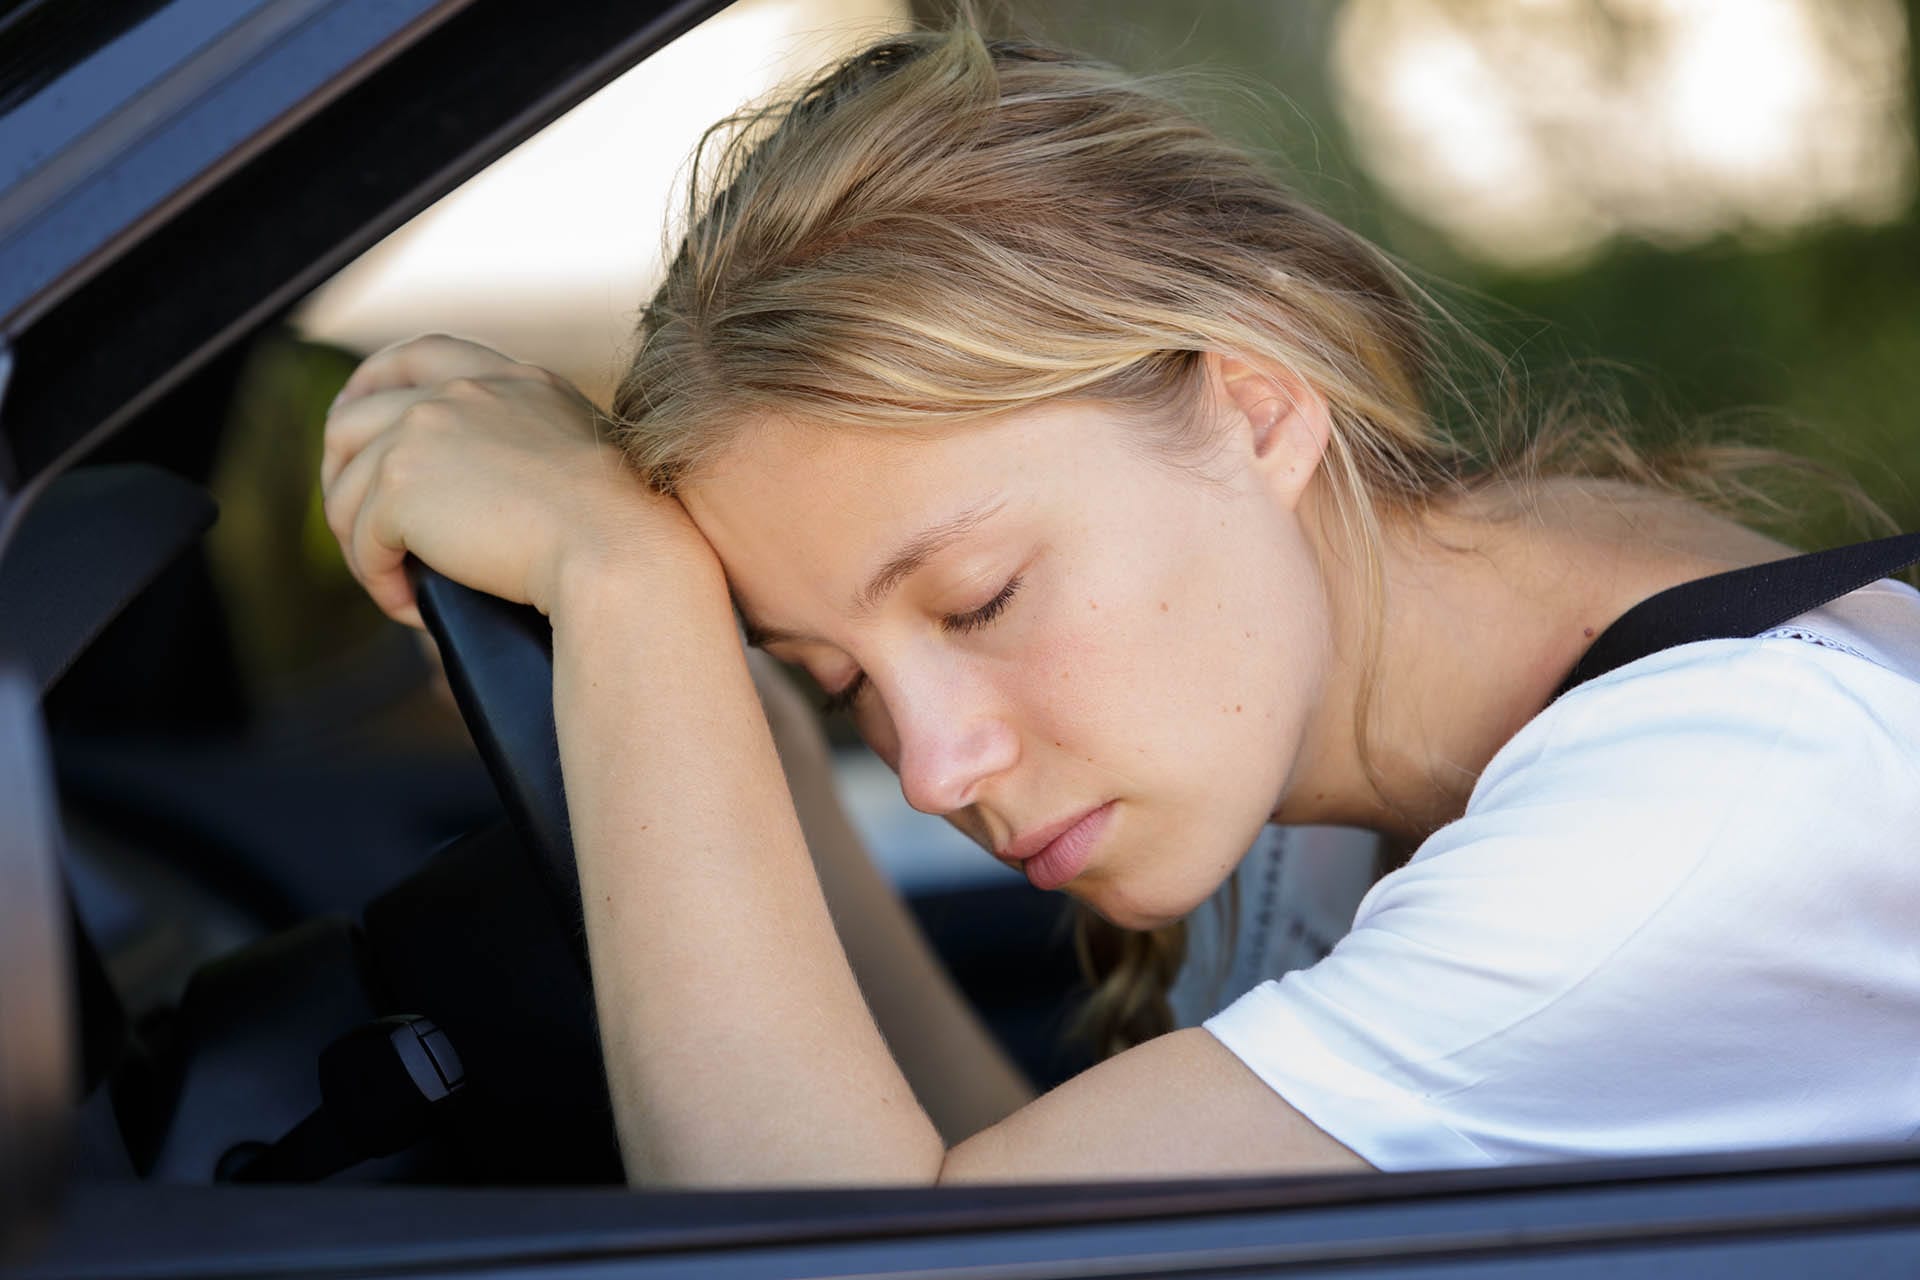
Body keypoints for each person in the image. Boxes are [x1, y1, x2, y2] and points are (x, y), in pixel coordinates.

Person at [317, 17, 1920, 1184]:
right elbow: (1019, 1193)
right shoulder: (1322, 707)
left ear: (1259, 404)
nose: (934, 768)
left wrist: (624, 588)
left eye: (980, 597)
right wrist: (747, 755)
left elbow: (870, 1268)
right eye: (836, 677)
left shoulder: (1698, 812)